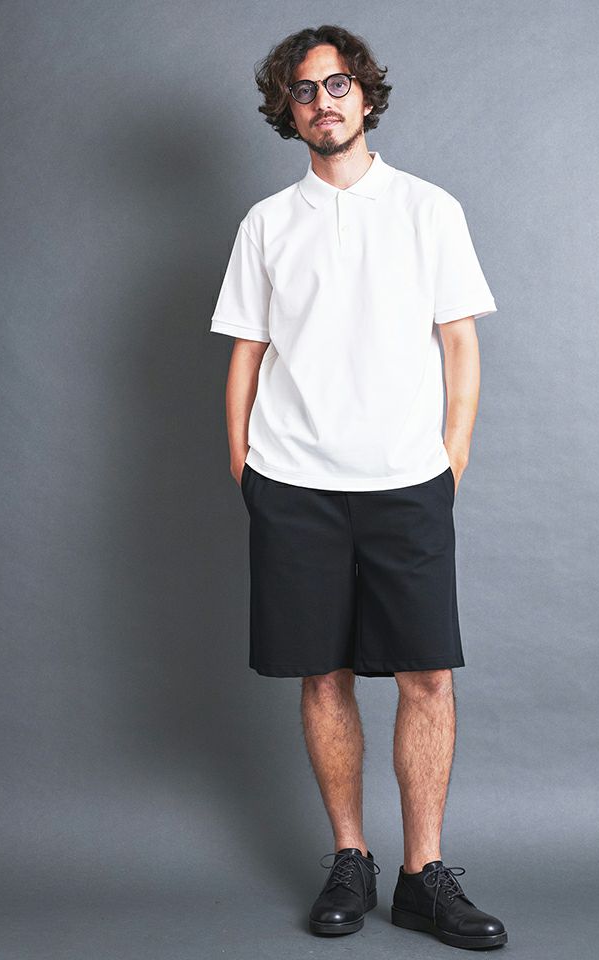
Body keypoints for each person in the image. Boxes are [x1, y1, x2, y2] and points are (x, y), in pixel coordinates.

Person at [209, 24, 508, 951]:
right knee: (322, 673)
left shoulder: (429, 209)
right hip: (293, 482)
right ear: (287, 111)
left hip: (406, 481)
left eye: (338, 84)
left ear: (366, 96)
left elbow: (460, 343)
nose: (323, 101)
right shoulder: (266, 223)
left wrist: (450, 459)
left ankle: (424, 876)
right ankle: (351, 858)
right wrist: (244, 465)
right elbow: (246, 351)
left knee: (427, 675)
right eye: (304, 90)